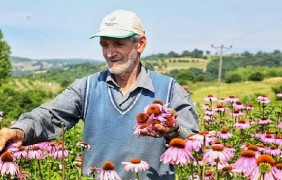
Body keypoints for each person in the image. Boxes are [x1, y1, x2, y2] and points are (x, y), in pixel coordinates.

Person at [0, 9, 199, 179]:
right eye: (105, 44)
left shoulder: (169, 89)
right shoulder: (87, 88)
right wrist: (19, 131)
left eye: (118, 44)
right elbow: (50, 115)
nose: (110, 53)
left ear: (140, 44)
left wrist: (173, 131)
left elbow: (197, 147)